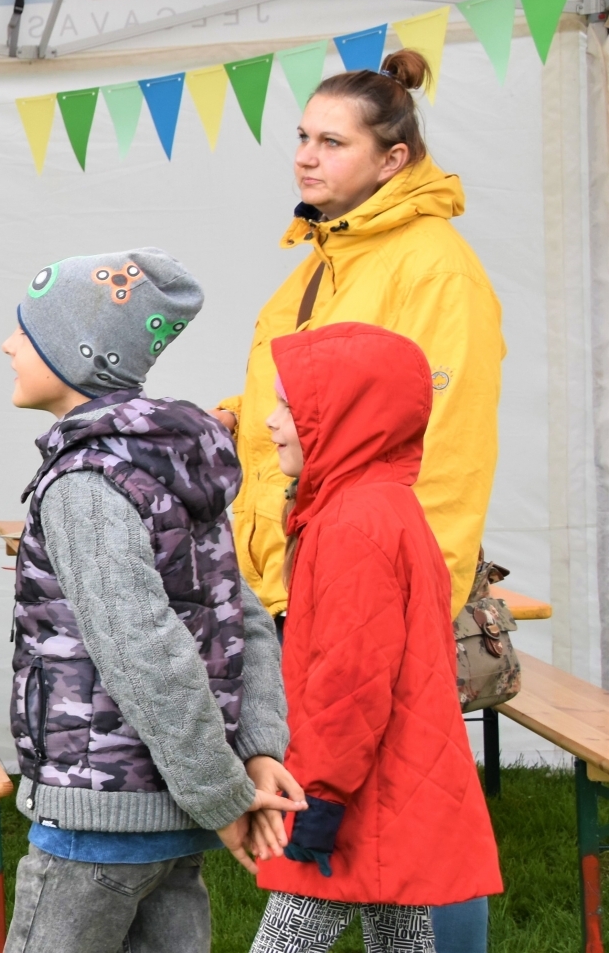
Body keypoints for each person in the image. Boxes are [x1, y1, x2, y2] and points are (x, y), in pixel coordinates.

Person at [209, 49, 504, 951]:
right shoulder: (315, 259)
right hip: (303, 573)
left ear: (393, 159)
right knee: (372, 815)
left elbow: (442, 451)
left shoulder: (432, 268)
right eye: (301, 136)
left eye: (331, 142)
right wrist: (220, 420)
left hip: (374, 588)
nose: (304, 156)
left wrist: (423, 601)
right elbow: (293, 407)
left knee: (411, 807)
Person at [0, 249, 306, 953]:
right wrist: (255, 751)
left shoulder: (85, 481)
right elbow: (244, 619)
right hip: (172, 819)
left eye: (27, 330)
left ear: (80, 356)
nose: (9, 343)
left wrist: (221, 796)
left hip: (97, 818)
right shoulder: (172, 465)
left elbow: (144, 652)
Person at [250, 322, 502, 952]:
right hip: (393, 779)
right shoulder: (382, 503)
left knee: (287, 940)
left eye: (289, 407)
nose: (270, 424)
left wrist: (318, 798)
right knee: (400, 932)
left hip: (353, 793)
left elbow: (349, 681)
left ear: (344, 418)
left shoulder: (352, 525)